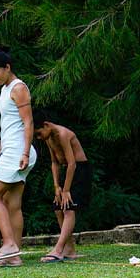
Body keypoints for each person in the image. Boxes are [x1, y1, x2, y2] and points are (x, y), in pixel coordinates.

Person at [0, 48, 36, 266]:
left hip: (18, 151)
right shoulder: (4, 90)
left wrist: (24, 152)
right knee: (11, 203)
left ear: (7, 67)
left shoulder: (18, 88)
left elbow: (28, 122)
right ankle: (14, 256)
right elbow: (8, 126)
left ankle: (9, 243)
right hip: (10, 149)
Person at [35, 111, 92, 262]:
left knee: (68, 207)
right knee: (58, 207)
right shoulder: (49, 138)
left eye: (39, 133)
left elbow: (72, 163)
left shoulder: (63, 134)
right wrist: (57, 187)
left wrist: (66, 190)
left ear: (46, 125)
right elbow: (54, 162)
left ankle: (58, 249)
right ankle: (69, 249)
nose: (39, 138)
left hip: (79, 169)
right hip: (66, 170)